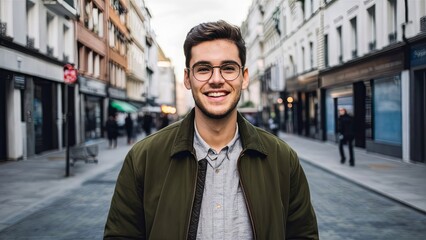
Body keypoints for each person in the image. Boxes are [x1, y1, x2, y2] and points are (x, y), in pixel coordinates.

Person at [104, 20, 318, 239]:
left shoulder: (282, 159)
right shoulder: (144, 158)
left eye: (228, 68)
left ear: (244, 78)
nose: (217, 80)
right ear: (188, 79)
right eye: (204, 69)